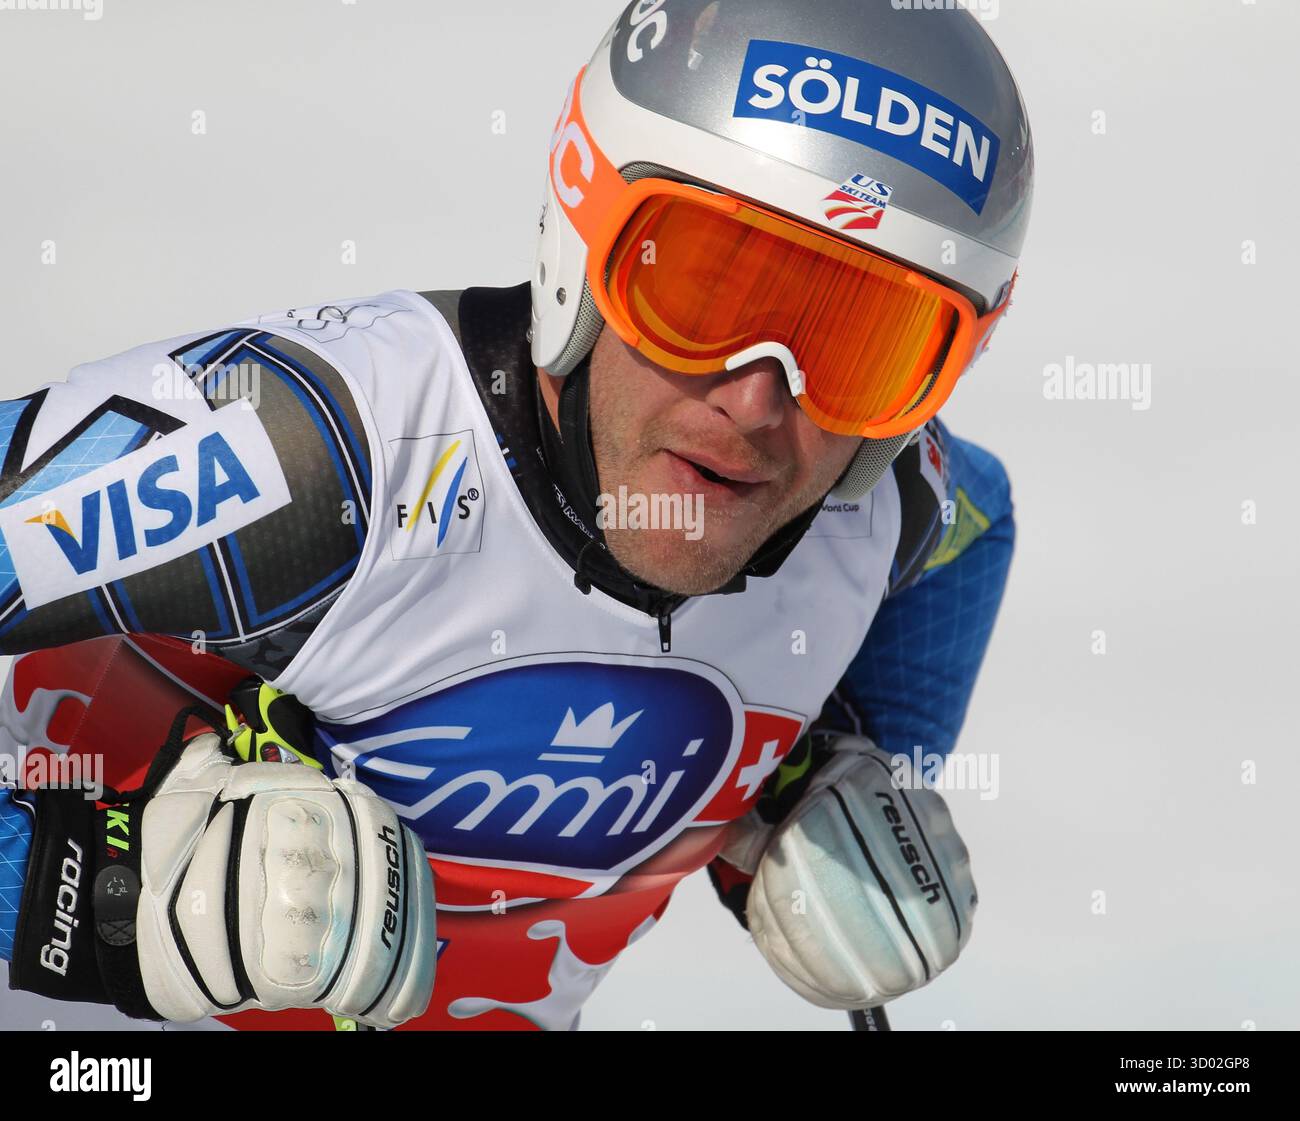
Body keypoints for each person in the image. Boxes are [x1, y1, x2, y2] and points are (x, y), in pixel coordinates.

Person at [0, 0, 1032, 1030]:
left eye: (864, 347)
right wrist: (84, 896)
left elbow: (973, 520)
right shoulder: (325, 448)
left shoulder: (877, 501)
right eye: (706, 292)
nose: (757, 404)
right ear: (583, 236)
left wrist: (824, 775)